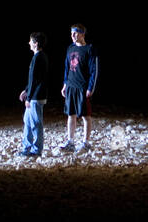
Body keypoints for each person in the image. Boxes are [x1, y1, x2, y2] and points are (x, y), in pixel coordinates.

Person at [58, 23, 98, 152]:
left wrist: (90, 88)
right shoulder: (70, 48)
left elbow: (94, 70)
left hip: (82, 87)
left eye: (75, 33)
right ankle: (70, 141)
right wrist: (65, 84)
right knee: (71, 114)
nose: (73, 36)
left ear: (82, 34)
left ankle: (86, 143)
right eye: (71, 33)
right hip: (71, 85)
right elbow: (66, 67)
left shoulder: (89, 49)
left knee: (85, 115)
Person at [19, 32, 49, 156]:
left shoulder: (39, 57)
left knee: (36, 123)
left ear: (36, 44)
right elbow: (33, 79)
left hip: (37, 97)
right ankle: (27, 147)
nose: (29, 43)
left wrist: (29, 97)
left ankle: (36, 149)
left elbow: (36, 80)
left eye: (31, 41)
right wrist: (26, 90)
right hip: (34, 95)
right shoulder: (38, 56)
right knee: (27, 121)